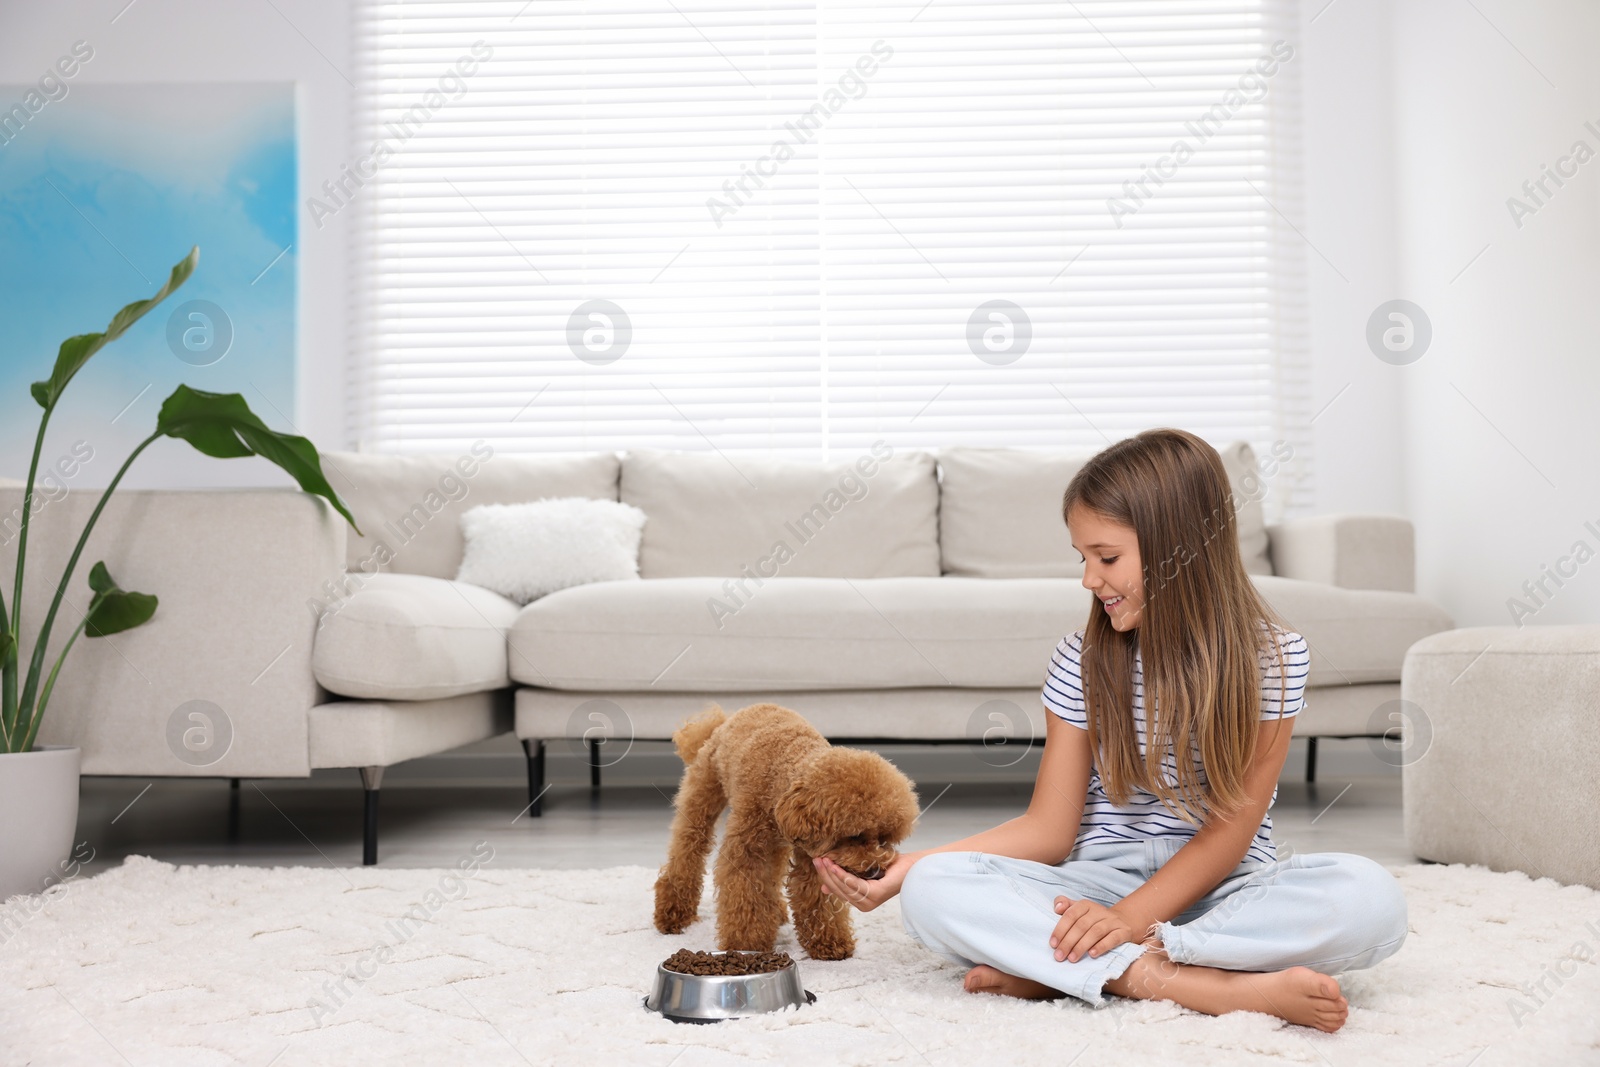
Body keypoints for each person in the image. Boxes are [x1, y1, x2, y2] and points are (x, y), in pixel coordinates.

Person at [813, 428, 1408, 1033]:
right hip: (1093, 882)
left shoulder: (1275, 659)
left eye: (1107, 558)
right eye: (1083, 558)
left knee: (1370, 899)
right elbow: (1048, 830)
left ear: (1182, 549)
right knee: (936, 892)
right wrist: (910, 868)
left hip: (1223, 888)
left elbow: (1230, 837)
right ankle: (1199, 984)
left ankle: (1066, 970)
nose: (1089, 580)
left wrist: (1128, 922)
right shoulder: (1080, 659)